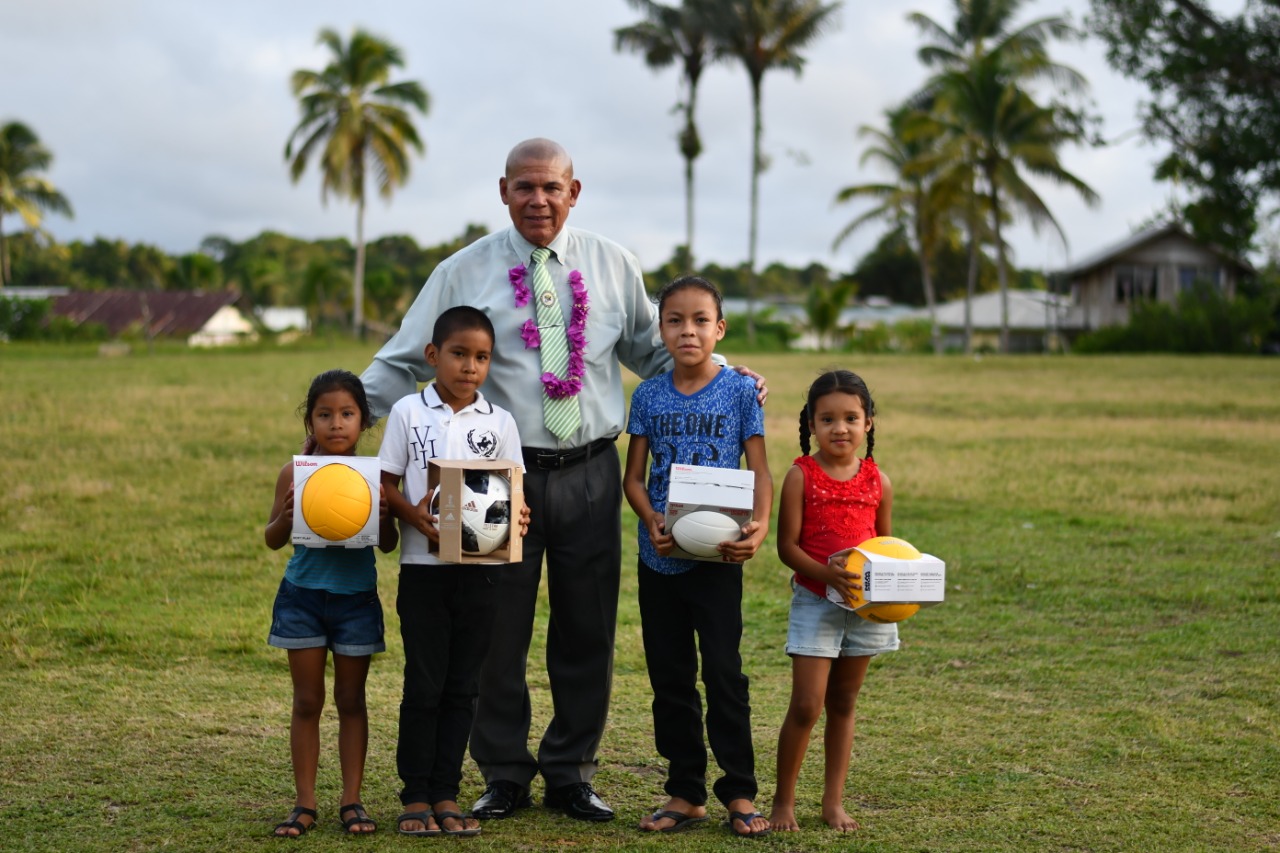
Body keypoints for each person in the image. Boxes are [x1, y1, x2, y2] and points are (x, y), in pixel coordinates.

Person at [361, 138, 764, 823]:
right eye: (524, 187)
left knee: (586, 626)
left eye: (551, 187)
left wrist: (725, 371)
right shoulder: (463, 271)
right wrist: (333, 420)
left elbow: (651, 349)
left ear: (574, 193)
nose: (538, 199)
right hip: (489, 475)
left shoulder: (613, 264)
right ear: (503, 190)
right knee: (495, 630)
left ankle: (572, 770)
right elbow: (403, 358)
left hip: (591, 470)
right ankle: (503, 771)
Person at [622, 276, 773, 839]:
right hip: (659, 557)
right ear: (660, 330)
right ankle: (684, 791)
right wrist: (651, 520)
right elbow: (633, 479)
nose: (688, 330)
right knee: (671, 677)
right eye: (675, 321)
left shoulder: (738, 390)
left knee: (725, 672)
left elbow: (759, 471)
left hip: (718, 561)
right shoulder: (648, 395)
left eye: (700, 320)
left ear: (720, 328)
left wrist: (756, 530)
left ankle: (738, 790)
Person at [378, 306, 529, 838]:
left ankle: (446, 792)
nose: (470, 367)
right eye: (459, 354)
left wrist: (521, 514)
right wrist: (410, 512)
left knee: (463, 686)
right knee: (424, 684)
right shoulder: (407, 413)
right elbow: (386, 482)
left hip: (481, 572)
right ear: (433, 356)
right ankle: (415, 793)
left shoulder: (500, 421)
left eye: (481, 357)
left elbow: (514, 492)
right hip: (423, 570)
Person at [264, 369, 398, 837]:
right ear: (310, 421)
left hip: (356, 603)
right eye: (325, 415)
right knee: (306, 701)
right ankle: (304, 803)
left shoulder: (373, 477)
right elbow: (271, 540)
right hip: (302, 599)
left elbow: (386, 545)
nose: (336, 424)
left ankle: (352, 800)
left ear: (362, 422)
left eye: (347, 414)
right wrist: (283, 516)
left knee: (350, 700)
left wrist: (382, 516)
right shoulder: (293, 473)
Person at [768, 369, 897, 833]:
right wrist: (827, 576)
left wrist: (899, 588)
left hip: (866, 608)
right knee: (806, 703)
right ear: (811, 424)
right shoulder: (800, 476)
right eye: (827, 419)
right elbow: (787, 547)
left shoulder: (878, 480)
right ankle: (784, 801)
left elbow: (885, 545)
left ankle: (832, 802)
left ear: (868, 423)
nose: (839, 428)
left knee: (843, 701)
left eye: (850, 418)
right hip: (816, 601)